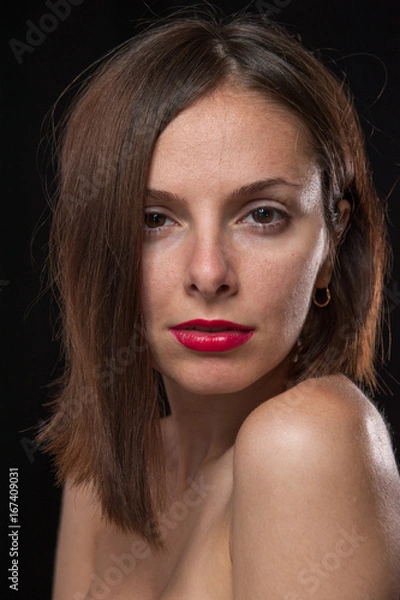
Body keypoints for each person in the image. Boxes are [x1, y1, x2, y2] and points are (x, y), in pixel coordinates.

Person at [38, 11, 400, 599]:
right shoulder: (103, 476)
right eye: (154, 220)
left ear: (331, 245)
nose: (208, 274)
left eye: (263, 215)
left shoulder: (306, 439)